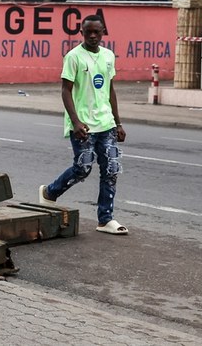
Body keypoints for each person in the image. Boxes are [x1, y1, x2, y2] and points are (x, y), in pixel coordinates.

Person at [40, 14, 128, 235]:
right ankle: (50, 192)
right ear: (82, 32)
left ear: (103, 32)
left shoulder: (108, 56)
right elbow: (65, 90)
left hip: (106, 123)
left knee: (111, 170)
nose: (92, 36)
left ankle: (105, 219)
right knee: (83, 168)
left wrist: (118, 122)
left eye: (97, 32)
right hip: (83, 126)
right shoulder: (73, 57)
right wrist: (76, 121)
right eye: (88, 32)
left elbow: (110, 89)